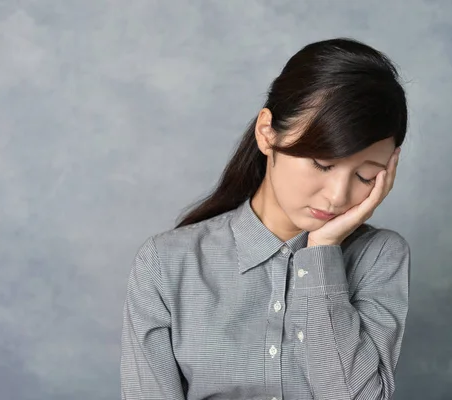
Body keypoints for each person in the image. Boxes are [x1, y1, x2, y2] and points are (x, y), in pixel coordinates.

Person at [120, 37, 410, 400]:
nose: (338, 196)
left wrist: (322, 250)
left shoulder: (379, 256)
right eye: (322, 163)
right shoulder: (166, 264)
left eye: (366, 176)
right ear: (267, 134)